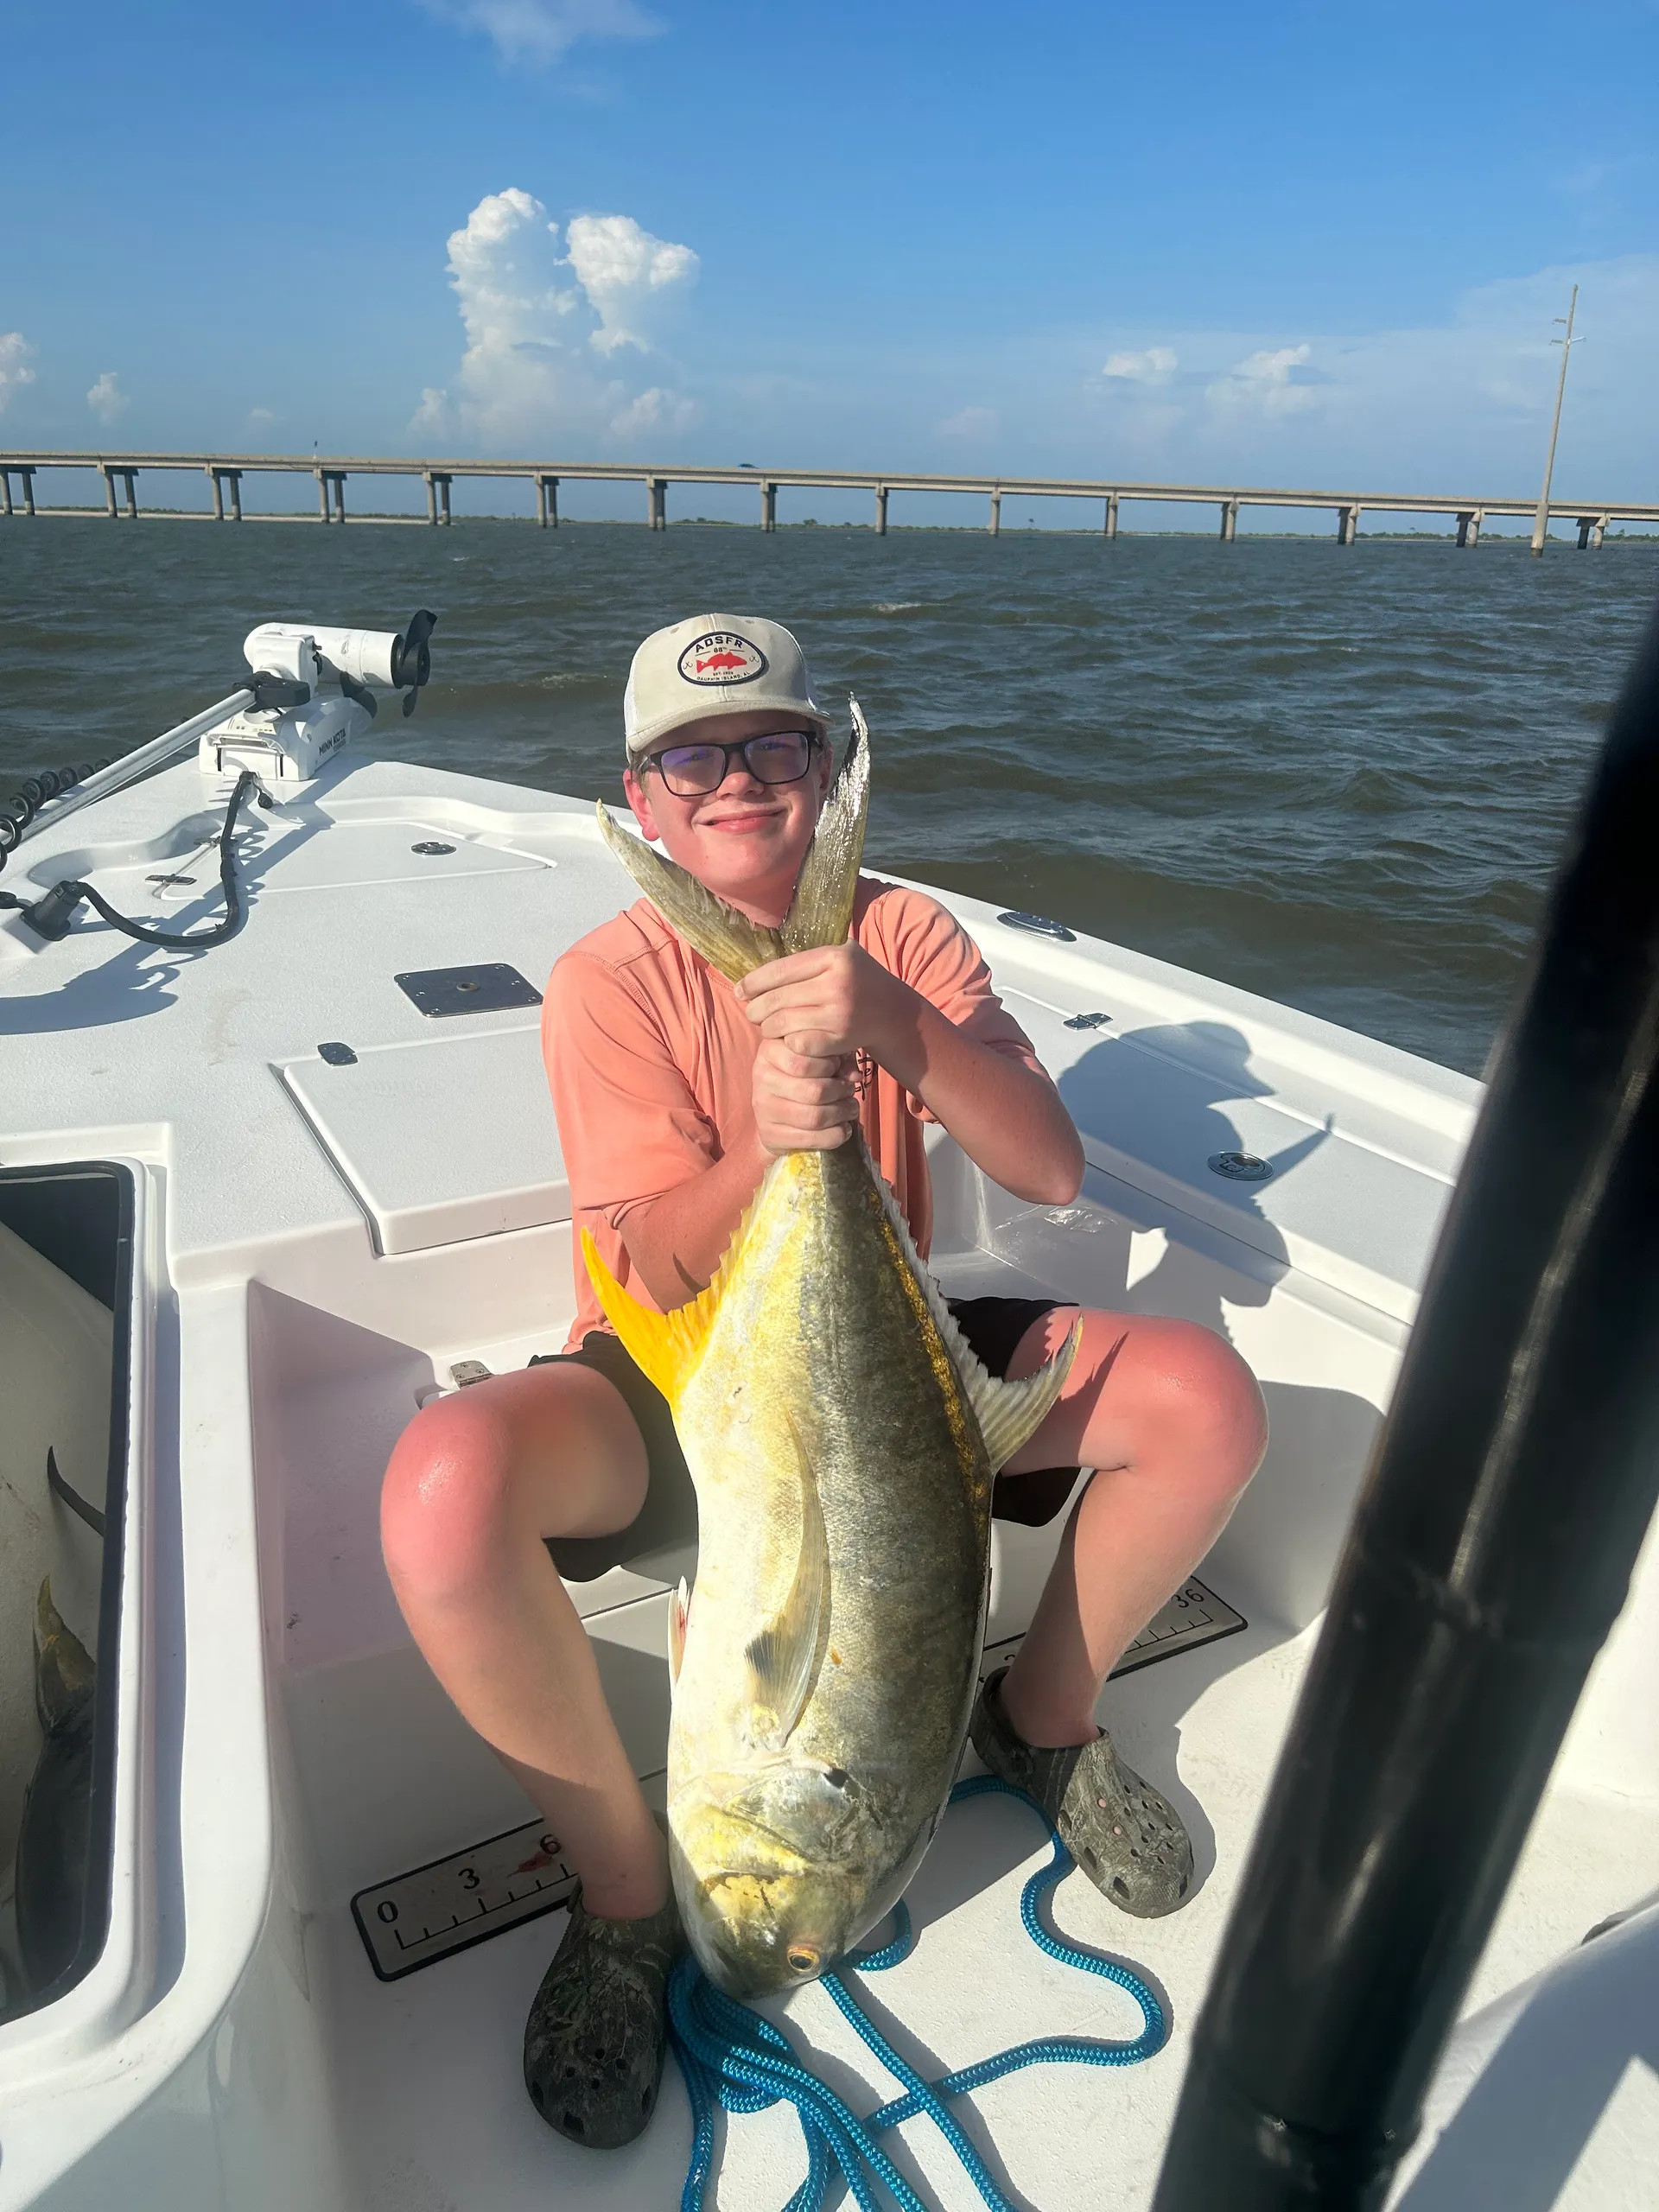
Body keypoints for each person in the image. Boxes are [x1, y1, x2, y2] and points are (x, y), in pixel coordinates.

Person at [380, 613, 1268, 2151]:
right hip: (679, 1377)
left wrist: (898, 1029)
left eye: (775, 747)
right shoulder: (614, 978)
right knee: (444, 1490)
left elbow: (1048, 1169)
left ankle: (1042, 1724)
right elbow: (650, 1272)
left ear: (824, 768)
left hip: (892, 1384)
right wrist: (777, 1147)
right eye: (691, 760)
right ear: (641, 797)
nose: (736, 782)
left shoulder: (906, 937)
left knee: (1204, 1400)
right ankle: (623, 1898)